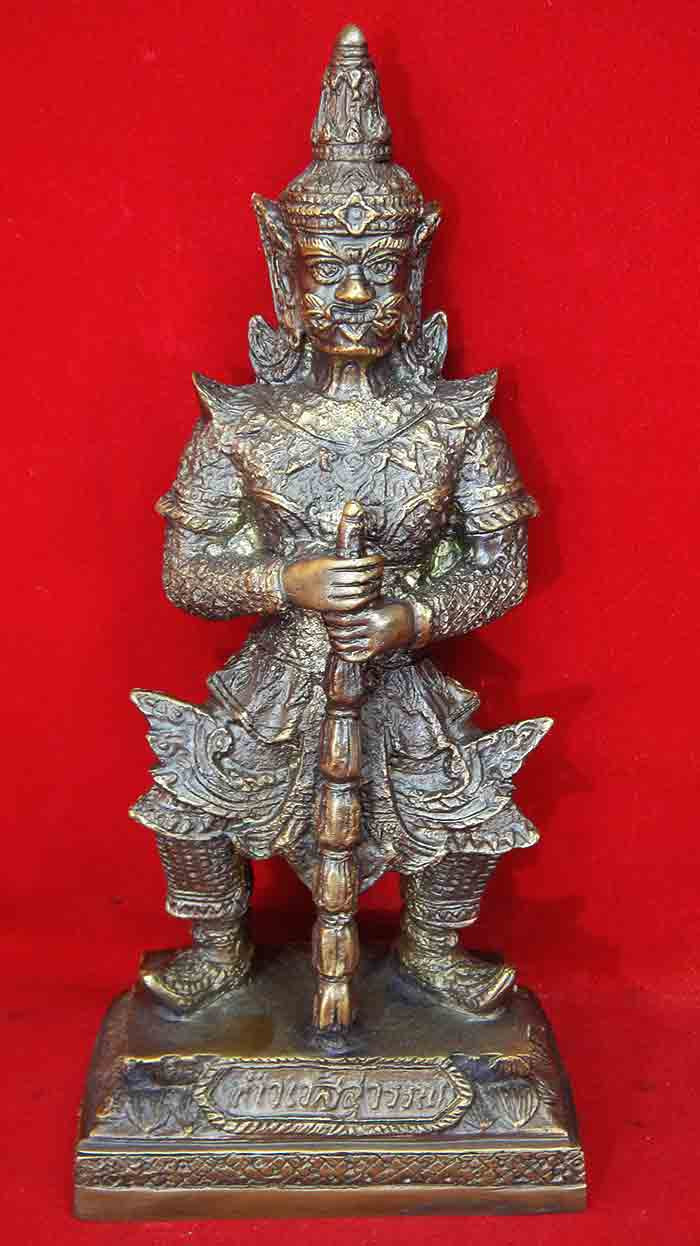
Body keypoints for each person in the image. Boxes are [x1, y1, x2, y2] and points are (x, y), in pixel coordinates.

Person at [130, 25, 551, 1018]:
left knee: (465, 810)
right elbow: (185, 570)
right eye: (329, 271)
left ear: (412, 278)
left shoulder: (453, 423)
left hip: (395, 670)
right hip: (285, 669)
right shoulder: (243, 424)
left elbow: (503, 564)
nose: (355, 294)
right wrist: (287, 583)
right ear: (289, 278)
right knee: (189, 799)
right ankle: (218, 945)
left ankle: (433, 947)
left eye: (379, 272)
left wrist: (409, 618)